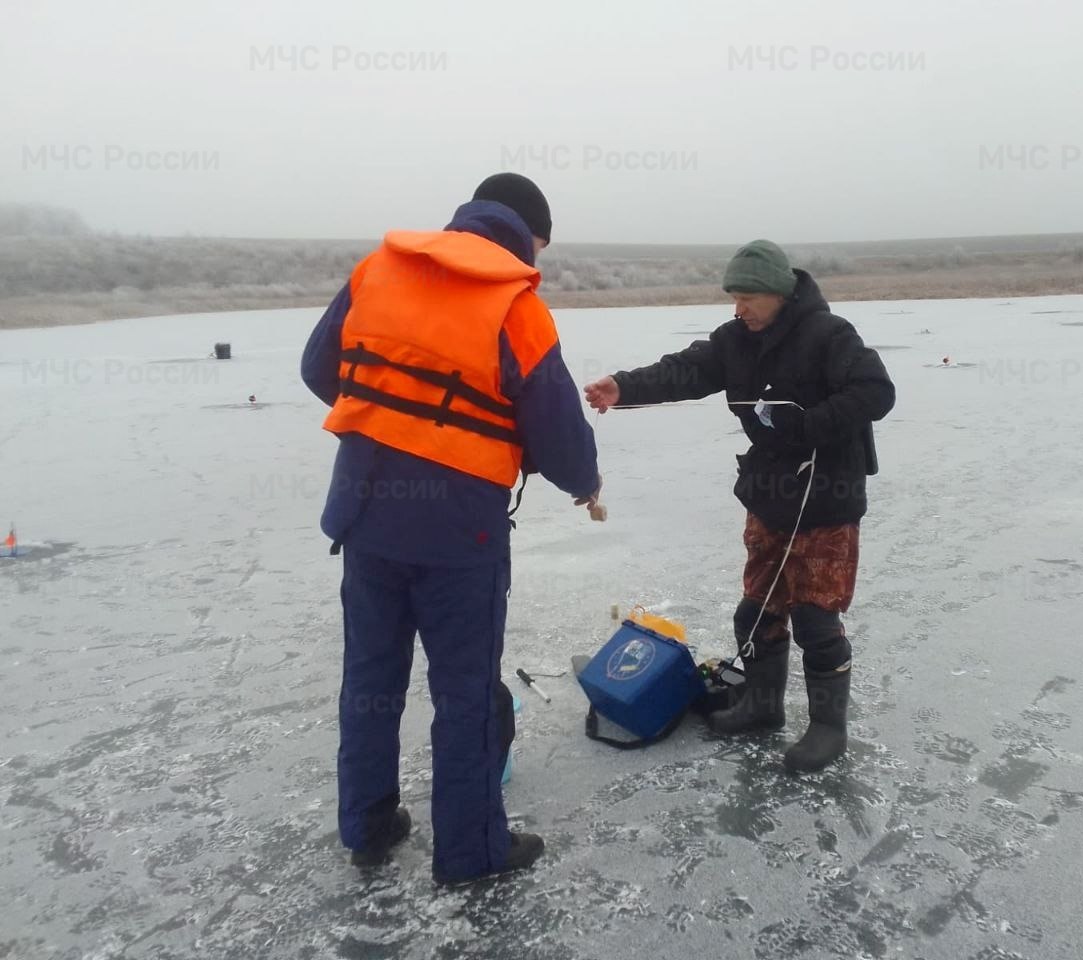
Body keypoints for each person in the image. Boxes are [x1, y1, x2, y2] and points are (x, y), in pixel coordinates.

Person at [302, 173, 603, 881]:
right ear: (527, 236)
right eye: (539, 248)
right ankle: (472, 853)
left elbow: (320, 367)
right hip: (458, 538)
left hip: (368, 513)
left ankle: (367, 822)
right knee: (463, 694)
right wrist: (585, 483)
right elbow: (557, 434)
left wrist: (390, 417)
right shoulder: (517, 305)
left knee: (369, 681)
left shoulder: (379, 270)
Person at [584, 240, 894, 773]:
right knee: (756, 611)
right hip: (769, 495)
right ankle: (762, 705)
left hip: (826, 501)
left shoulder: (829, 336)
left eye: (748, 298)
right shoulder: (735, 342)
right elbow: (685, 371)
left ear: (778, 294)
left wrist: (809, 425)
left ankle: (827, 729)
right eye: (734, 297)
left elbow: (876, 392)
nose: (738, 308)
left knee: (816, 621)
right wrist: (624, 387)